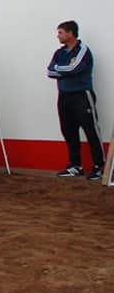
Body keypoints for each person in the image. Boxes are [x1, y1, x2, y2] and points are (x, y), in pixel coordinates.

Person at [48, 20, 104, 180]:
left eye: (60, 32)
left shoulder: (83, 50)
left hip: (81, 95)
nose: (58, 36)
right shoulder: (59, 53)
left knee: (91, 130)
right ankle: (75, 165)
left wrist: (60, 69)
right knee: (69, 131)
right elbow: (50, 71)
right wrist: (63, 69)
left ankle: (99, 165)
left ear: (70, 33)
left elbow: (75, 68)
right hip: (64, 95)